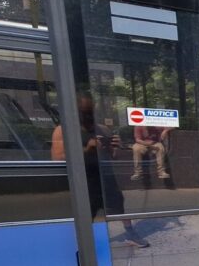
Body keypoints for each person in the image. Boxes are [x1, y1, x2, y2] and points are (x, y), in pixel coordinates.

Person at [51, 92, 149, 247]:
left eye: (91, 111)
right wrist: (87, 149)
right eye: (85, 112)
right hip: (83, 180)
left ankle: (130, 233)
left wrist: (113, 147)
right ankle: (84, 242)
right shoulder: (63, 130)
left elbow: (113, 156)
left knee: (118, 204)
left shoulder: (102, 129)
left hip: (105, 176)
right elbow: (57, 158)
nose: (89, 116)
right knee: (86, 211)